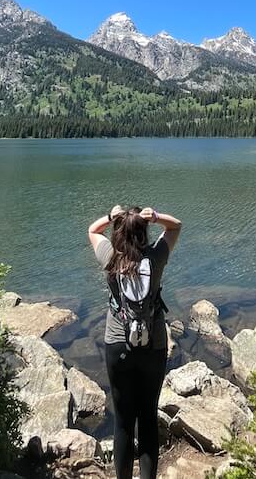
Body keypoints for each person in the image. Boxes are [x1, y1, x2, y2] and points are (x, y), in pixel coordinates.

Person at [88, 204, 182, 479]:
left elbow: (92, 230)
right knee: (148, 418)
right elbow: (175, 225)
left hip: (118, 344)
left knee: (123, 422)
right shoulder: (155, 258)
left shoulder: (110, 258)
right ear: (144, 232)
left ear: (118, 231)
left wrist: (111, 217)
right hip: (153, 346)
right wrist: (155, 216)